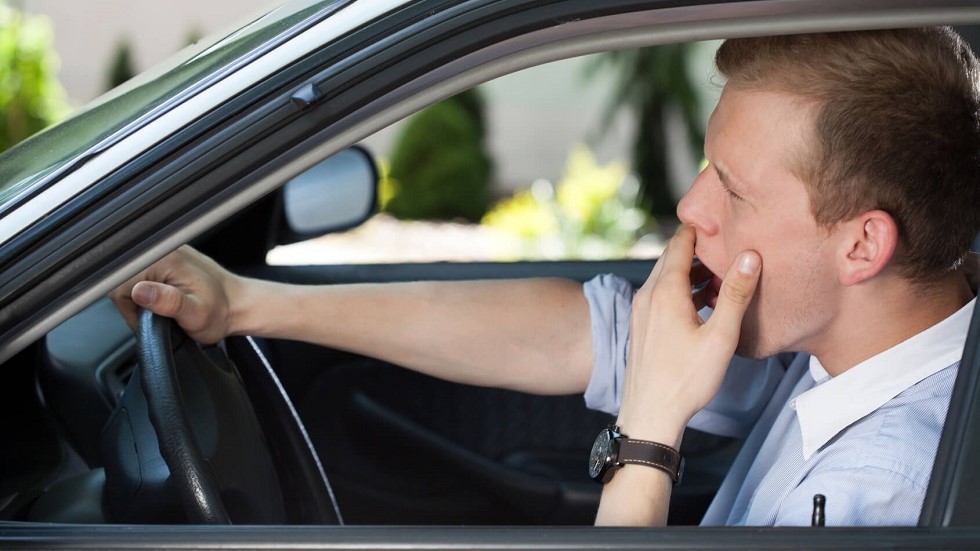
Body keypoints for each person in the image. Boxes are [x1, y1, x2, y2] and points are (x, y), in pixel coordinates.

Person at [111, 27, 980, 527]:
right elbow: (570, 332)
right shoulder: (836, 338)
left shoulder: (889, 493)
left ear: (862, 246)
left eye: (735, 189)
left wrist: (648, 431)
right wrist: (249, 304)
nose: (690, 206)